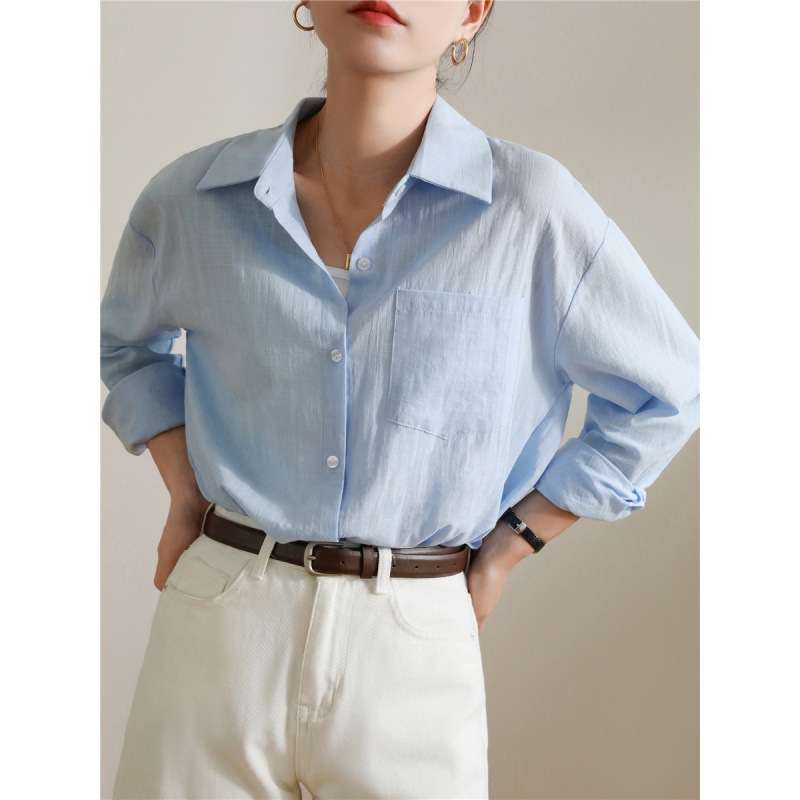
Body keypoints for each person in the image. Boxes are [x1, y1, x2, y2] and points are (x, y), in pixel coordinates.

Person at [101, 1, 700, 798]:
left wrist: (514, 541)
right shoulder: (191, 200)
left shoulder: (530, 210)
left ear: (472, 12)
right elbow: (125, 346)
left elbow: (668, 388)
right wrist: (184, 488)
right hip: (220, 620)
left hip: (413, 641)